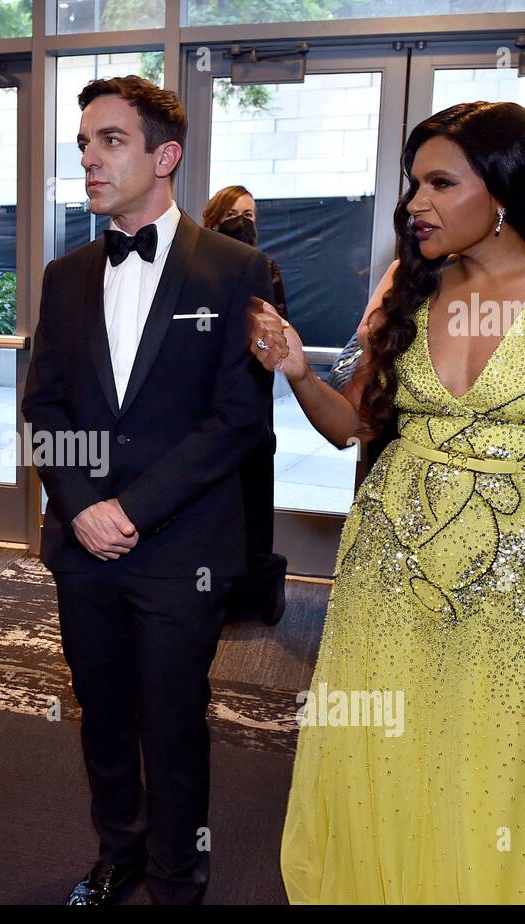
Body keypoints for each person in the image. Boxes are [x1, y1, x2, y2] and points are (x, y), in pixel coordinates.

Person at [250, 101, 525, 903]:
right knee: (394, 747)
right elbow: (348, 424)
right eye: (412, 184)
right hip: (390, 575)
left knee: (502, 764)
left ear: (501, 191)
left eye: (439, 182)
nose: (414, 204)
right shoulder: (410, 283)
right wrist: (296, 370)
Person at [22, 75, 274, 905]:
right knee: (101, 715)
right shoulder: (65, 276)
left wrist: (129, 509)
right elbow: (44, 407)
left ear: (165, 156)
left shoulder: (239, 270)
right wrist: (85, 504)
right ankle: (118, 853)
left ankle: (177, 875)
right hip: (83, 548)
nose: (89, 157)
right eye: (85, 142)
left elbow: (238, 420)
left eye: (111, 140)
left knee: (171, 724)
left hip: (182, 551)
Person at [202, 184, 288, 624]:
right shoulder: (194, 267)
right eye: (236, 214)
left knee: (251, 498)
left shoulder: (263, 268)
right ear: (214, 218)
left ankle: (254, 594)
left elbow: (275, 338)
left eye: (251, 215)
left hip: (251, 400)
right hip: (200, 406)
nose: (244, 222)